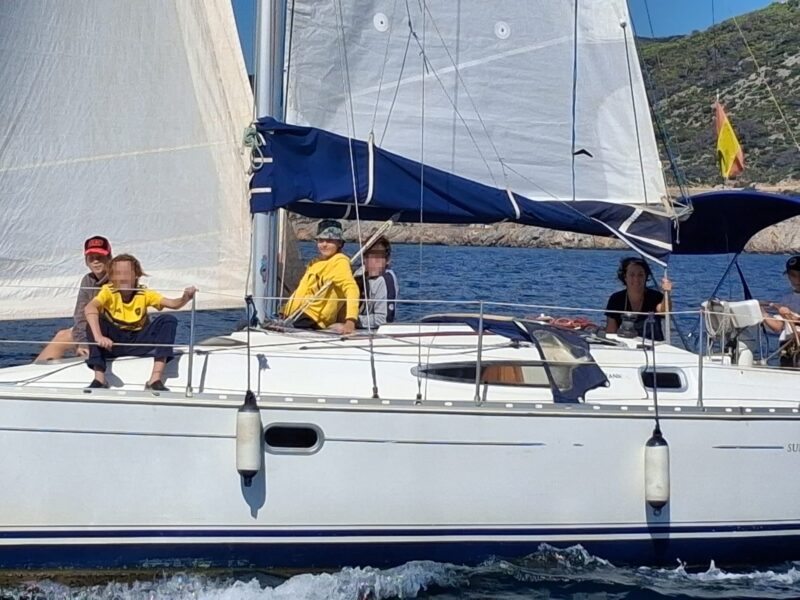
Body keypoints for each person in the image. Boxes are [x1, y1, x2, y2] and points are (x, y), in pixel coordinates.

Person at [84, 254, 197, 391]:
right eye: (118, 273)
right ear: (112, 277)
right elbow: (90, 307)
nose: (123, 278)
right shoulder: (108, 291)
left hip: (138, 341)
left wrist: (185, 297)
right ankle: (99, 378)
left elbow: (173, 304)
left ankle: (155, 379)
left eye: (127, 273)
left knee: (168, 319)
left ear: (136, 275)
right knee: (95, 320)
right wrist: (99, 337)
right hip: (113, 344)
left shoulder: (143, 293)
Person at [34, 235, 113, 363]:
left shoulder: (118, 278)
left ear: (109, 258)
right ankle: (35, 369)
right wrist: (83, 342)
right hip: (94, 330)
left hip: (114, 332)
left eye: (100, 257)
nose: (95, 261)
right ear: (86, 261)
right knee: (62, 335)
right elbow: (80, 315)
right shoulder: (88, 280)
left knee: (65, 336)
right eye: (91, 258)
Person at [281, 220, 360, 334]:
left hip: (314, 318)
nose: (324, 244)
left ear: (339, 243)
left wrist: (351, 321)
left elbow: (351, 289)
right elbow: (301, 291)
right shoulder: (315, 263)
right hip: (295, 314)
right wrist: (285, 311)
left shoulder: (340, 262)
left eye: (329, 240)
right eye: (321, 240)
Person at [605, 256, 673, 341]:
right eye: (632, 275)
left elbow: (664, 312)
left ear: (646, 276)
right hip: (625, 344)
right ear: (625, 277)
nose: (636, 279)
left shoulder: (655, 296)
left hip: (654, 345)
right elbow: (611, 331)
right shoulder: (616, 299)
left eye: (640, 275)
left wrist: (667, 293)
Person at [352, 236, 399, 329]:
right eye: (369, 257)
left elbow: (384, 319)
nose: (372, 262)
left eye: (378, 258)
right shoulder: (358, 274)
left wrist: (353, 321)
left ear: (387, 260)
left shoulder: (385, 280)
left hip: (371, 330)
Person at [763, 255, 800, 367]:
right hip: (788, 346)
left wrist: (790, 315)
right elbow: (778, 327)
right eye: (793, 275)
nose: (797, 279)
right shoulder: (786, 298)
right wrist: (762, 313)